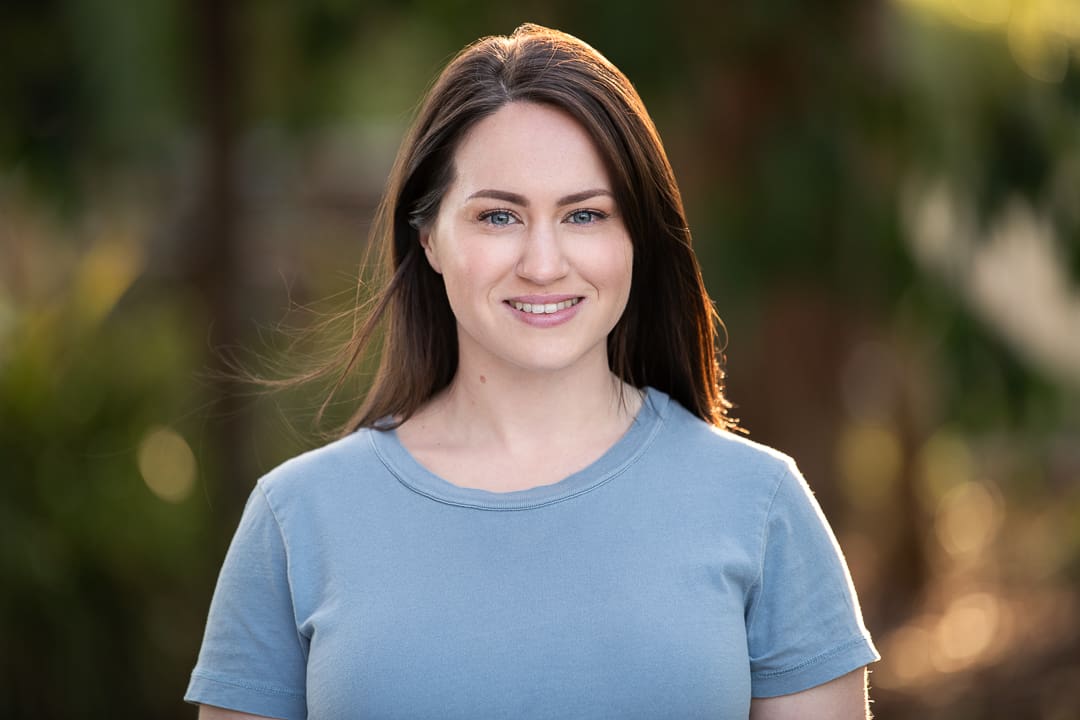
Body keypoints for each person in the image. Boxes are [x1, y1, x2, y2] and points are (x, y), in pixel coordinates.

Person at [185, 23, 879, 720]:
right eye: (498, 217)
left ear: (638, 235)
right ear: (427, 237)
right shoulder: (297, 521)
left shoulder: (760, 507)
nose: (544, 263)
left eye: (584, 215)